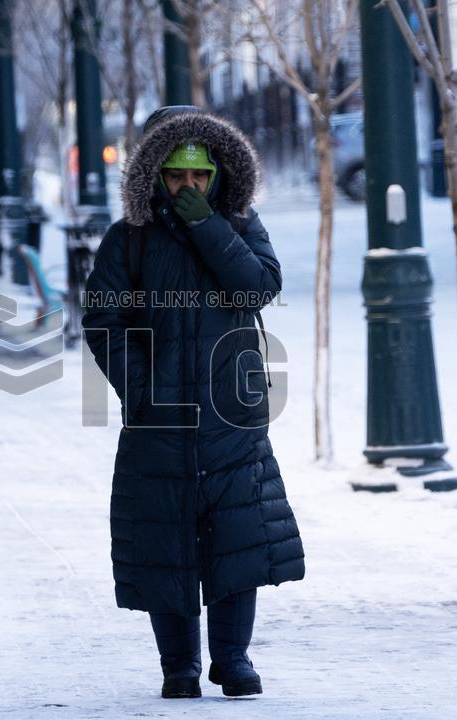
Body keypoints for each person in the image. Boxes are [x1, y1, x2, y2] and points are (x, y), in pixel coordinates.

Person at [81, 106, 305, 699]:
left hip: (232, 414)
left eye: (199, 175)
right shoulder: (127, 239)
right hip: (159, 419)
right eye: (176, 176)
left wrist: (208, 225)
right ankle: (177, 665)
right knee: (165, 533)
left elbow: (259, 285)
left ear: (217, 173)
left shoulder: (239, 224)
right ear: (154, 173)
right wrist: (141, 389)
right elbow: (103, 319)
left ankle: (233, 660)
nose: (188, 187)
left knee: (238, 534)